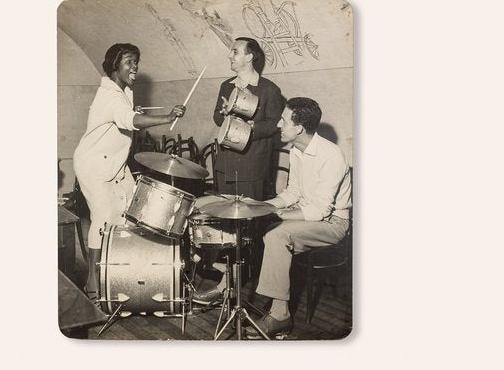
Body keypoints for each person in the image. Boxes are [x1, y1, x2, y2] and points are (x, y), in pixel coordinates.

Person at [196, 97, 352, 339]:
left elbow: (320, 211)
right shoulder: (298, 151)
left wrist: (277, 213)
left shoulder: (331, 156)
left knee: (277, 234)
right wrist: (261, 206)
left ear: (299, 128)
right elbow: (293, 193)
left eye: (283, 120)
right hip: (308, 214)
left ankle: (280, 316)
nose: (279, 125)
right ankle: (226, 287)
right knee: (250, 221)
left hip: (332, 223)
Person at [73, 43, 186, 302]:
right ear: (115, 66)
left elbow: (130, 116)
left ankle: (122, 276)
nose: (134, 67)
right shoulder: (110, 95)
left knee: (135, 212)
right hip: (93, 165)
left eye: (136, 61)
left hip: (116, 163)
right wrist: (168, 118)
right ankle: (92, 284)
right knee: (102, 218)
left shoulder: (124, 91)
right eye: (128, 62)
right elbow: (130, 120)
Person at [213, 37, 284, 201]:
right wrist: (223, 114)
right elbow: (217, 117)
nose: (229, 55)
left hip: (252, 165)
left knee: (250, 217)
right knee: (225, 213)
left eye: (235, 52)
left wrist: (253, 128)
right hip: (226, 163)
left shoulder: (269, 89)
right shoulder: (226, 86)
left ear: (249, 57)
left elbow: (275, 124)